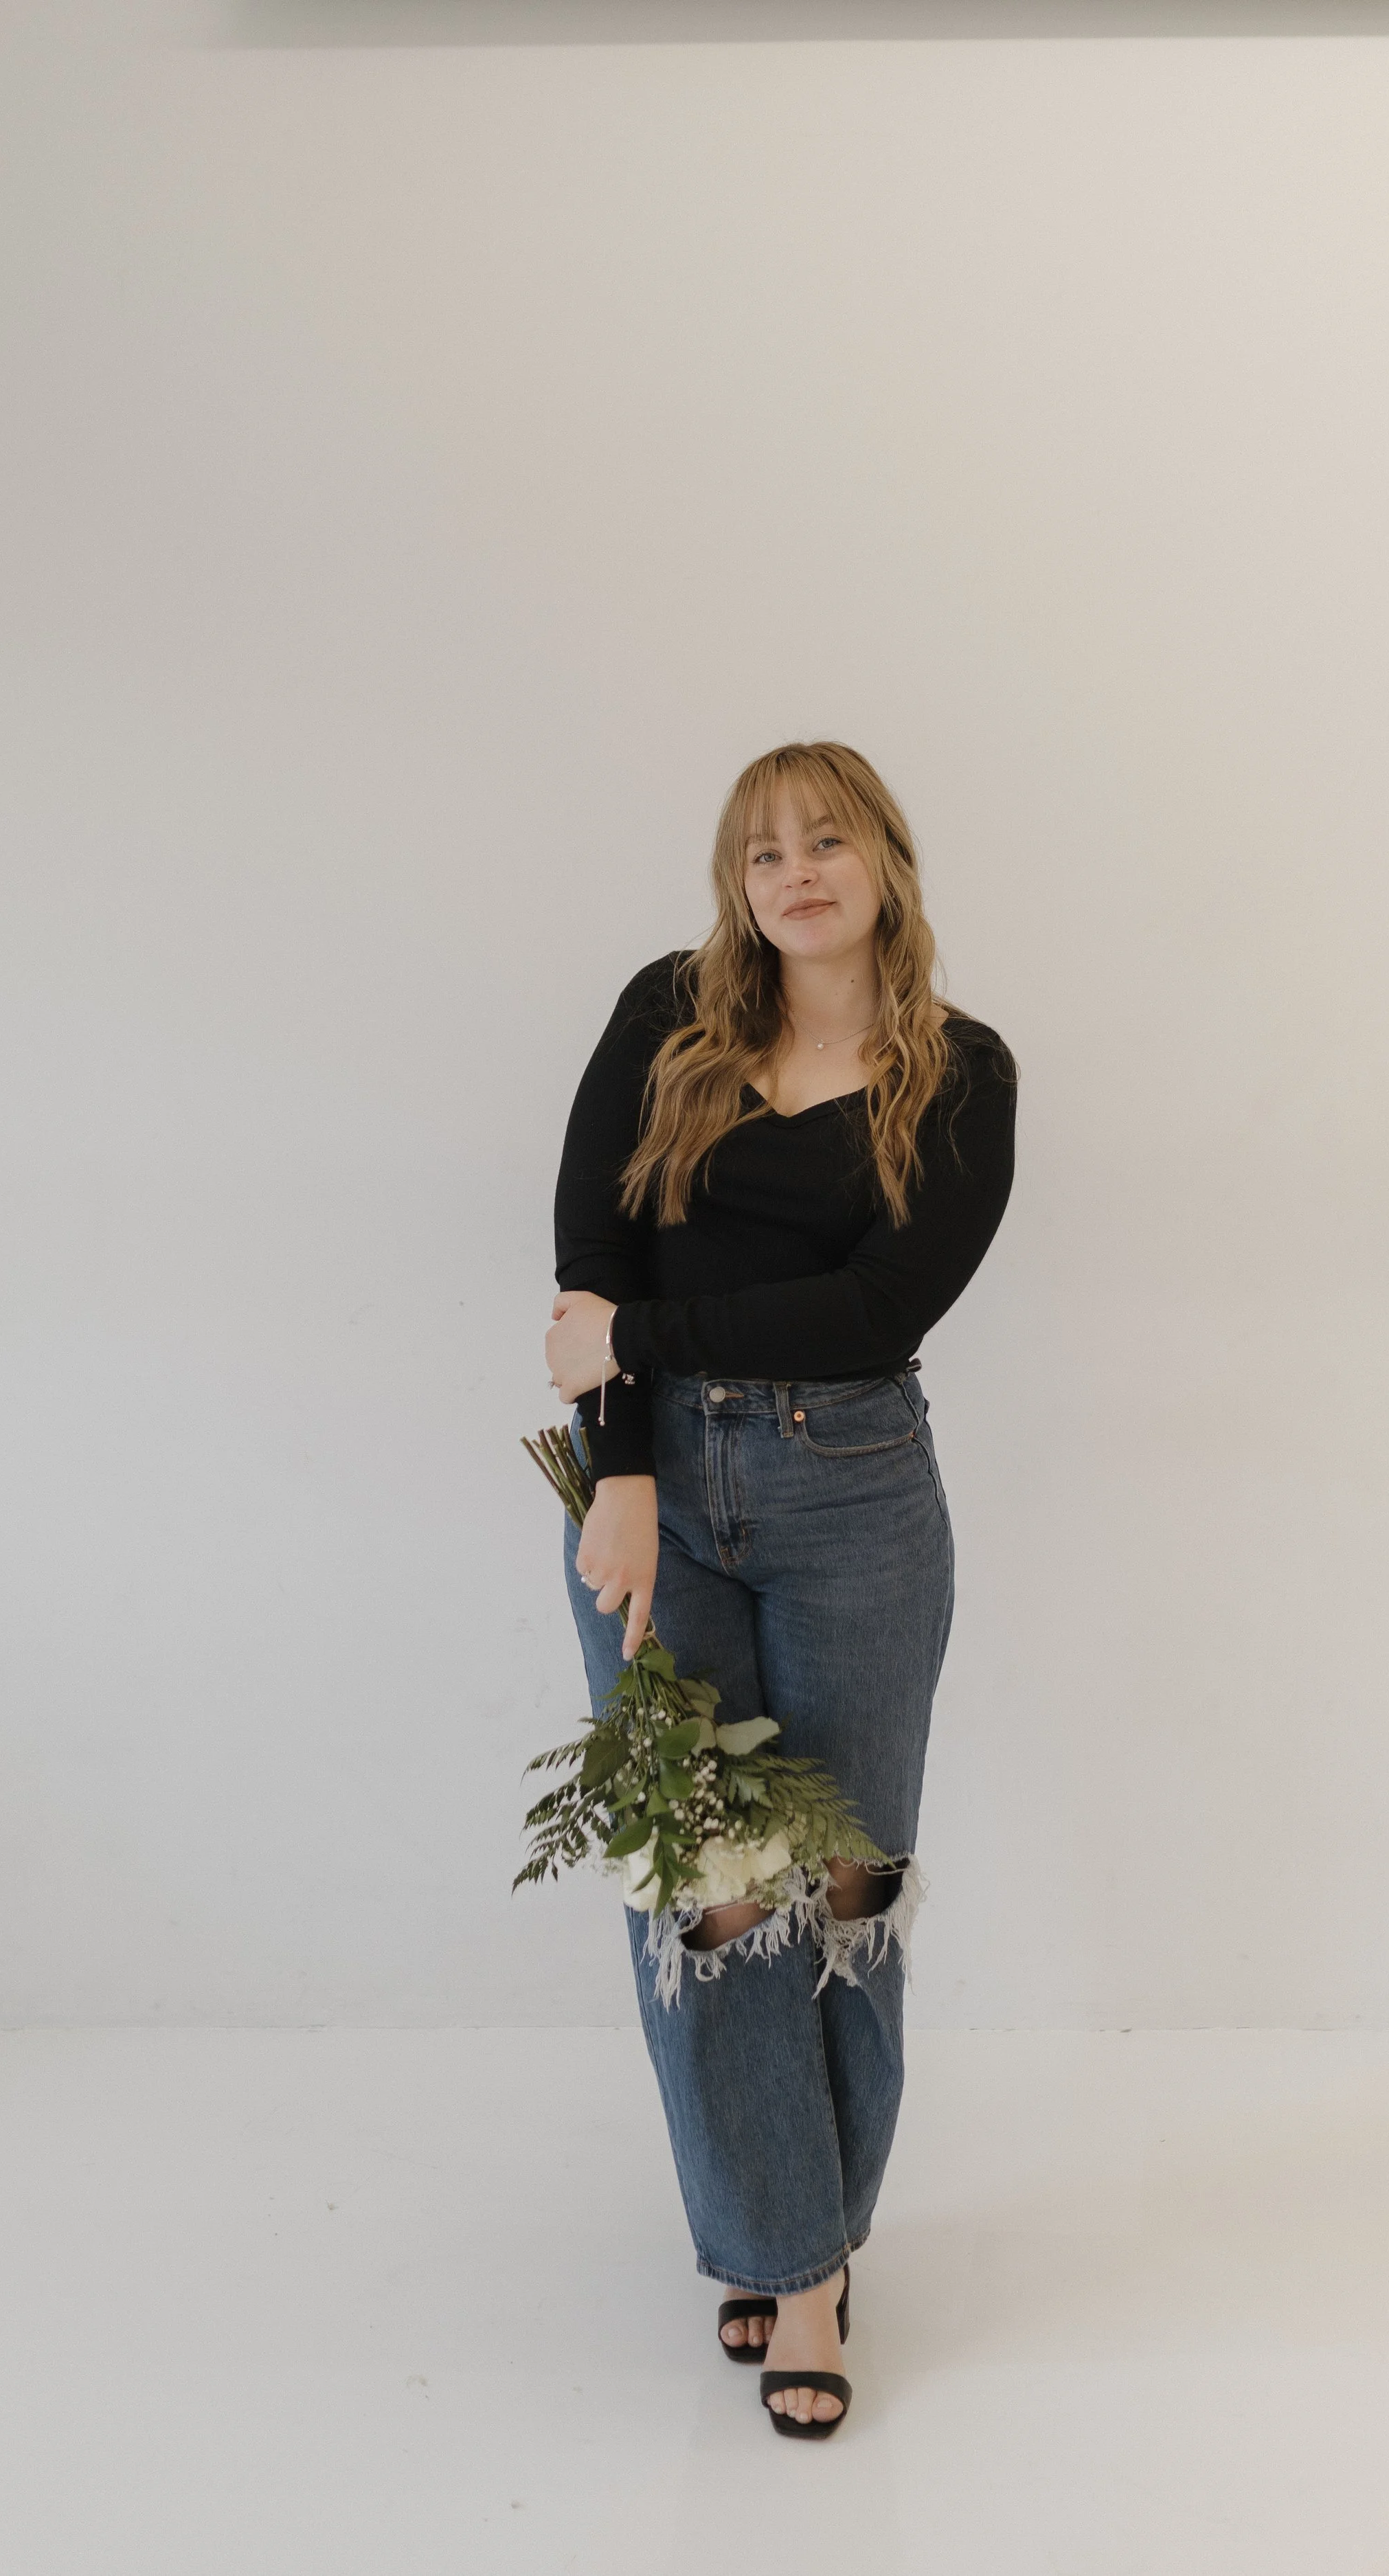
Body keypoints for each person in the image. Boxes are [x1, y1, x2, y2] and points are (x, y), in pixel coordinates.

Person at [545, 740, 1017, 2439]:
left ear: (885, 859)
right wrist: (619, 1464)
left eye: (825, 841)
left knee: (839, 1883)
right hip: (655, 1498)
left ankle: (806, 2268)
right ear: (732, 884)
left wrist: (635, 1347)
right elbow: (590, 1247)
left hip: (855, 1492)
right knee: (706, 1891)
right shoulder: (668, 1014)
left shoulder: (958, 1073)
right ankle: (774, 2238)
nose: (793, 873)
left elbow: (878, 1306)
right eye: (760, 853)